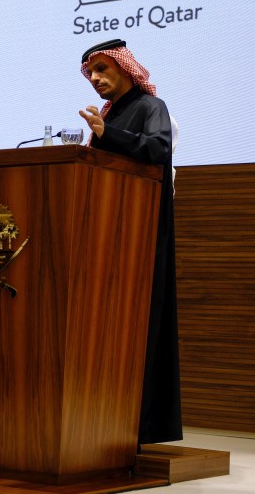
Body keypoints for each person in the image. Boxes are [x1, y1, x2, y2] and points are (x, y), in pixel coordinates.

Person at [78, 39, 182, 445]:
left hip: (142, 232)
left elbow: (157, 150)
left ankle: (142, 425)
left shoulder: (150, 107)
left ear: (126, 68)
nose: (96, 79)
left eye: (103, 70)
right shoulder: (112, 113)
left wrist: (108, 135)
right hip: (112, 232)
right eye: (91, 73)